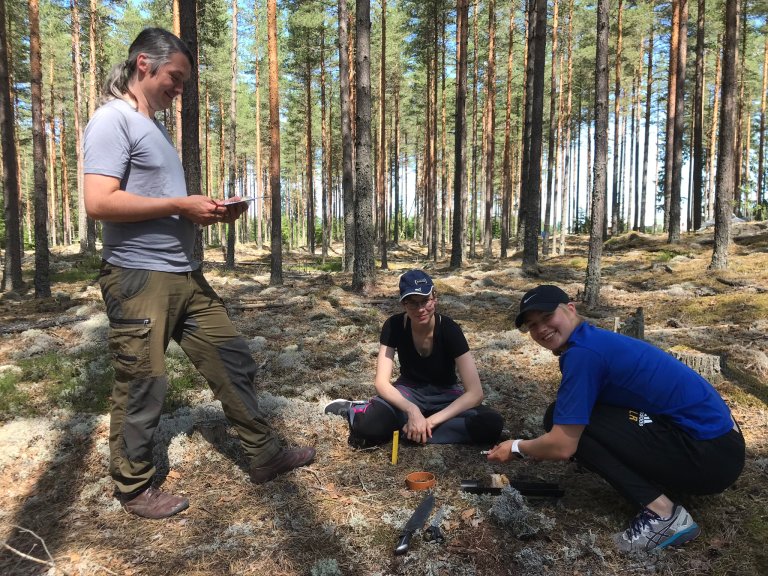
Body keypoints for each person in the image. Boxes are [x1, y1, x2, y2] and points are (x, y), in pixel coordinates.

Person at [83, 28, 314, 519]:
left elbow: (160, 203)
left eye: (183, 81)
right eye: (175, 77)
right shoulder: (111, 120)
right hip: (138, 277)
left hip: (185, 275)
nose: (179, 89)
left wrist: (205, 209)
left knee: (232, 358)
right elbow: (98, 201)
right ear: (144, 64)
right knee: (142, 380)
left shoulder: (154, 127)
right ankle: (133, 487)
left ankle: (265, 454)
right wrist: (178, 204)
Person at [488, 284, 745, 553]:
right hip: (719, 444)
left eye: (547, 316)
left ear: (571, 309)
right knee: (565, 417)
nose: (540, 329)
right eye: (531, 325)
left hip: (709, 456)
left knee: (563, 426)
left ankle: (664, 516)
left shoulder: (583, 354)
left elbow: (562, 446)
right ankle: (659, 486)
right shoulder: (593, 340)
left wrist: (517, 447)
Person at [326, 270, 504, 446]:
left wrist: (430, 421)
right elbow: (381, 382)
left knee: (491, 424)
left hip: (446, 396)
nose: (420, 310)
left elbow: (475, 393)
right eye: (412, 303)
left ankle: (412, 432)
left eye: (425, 300)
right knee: (368, 427)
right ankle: (357, 409)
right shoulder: (394, 326)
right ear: (403, 304)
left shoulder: (450, 330)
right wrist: (412, 410)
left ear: (435, 298)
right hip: (408, 393)